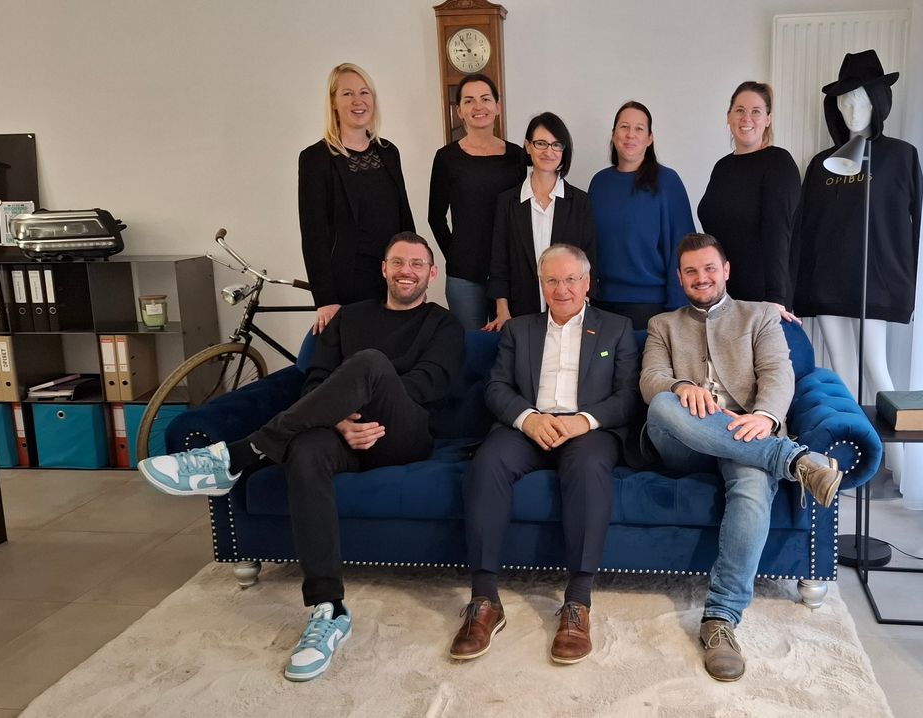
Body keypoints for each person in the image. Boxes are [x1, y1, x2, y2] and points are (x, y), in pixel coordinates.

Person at [138, 233, 463, 682]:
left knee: (369, 364)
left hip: (402, 433)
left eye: (417, 264)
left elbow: (430, 385)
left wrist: (364, 405)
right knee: (306, 450)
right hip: (342, 432)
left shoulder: (444, 325)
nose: (407, 271)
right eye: (398, 262)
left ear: (432, 273)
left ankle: (238, 455)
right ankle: (328, 608)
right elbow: (315, 384)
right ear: (384, 268)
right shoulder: (346, 318)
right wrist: (335, 422)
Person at [639, 233, 843, 682]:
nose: (701, 278)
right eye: (691, 271)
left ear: (726, 270)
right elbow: (652, 378)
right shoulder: (663, 325)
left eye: (709, 268)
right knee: (660, 404)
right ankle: (792, 461)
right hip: (684, 441)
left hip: (747, 432)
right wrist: (680, 387)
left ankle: (721, 619)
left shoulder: (760, 316)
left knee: (751, 485)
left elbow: (777, 371)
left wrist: (767, 416)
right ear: (680, 278)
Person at [450, 244, 638, 665]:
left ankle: (578, 602)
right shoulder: (520, 329)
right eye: (552, 280)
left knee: (589, 468)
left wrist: (583, 420)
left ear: (587, 283)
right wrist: (529, 418)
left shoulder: (616, 328)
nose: (562, 288)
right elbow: (496, 388)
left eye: (571, 279)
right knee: (487, 463)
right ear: (541, 284)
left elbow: (628, 396)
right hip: (529, 425)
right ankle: (484, 600)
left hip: (586, 430)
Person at [795, 50, 922, 484]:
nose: (851, 109)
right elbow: (806, 229)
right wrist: (800, 289)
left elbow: (916, 224)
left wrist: (907, 289)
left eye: (861, 99)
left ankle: (903, 472)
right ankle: (848, 467)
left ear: (880, 102)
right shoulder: (822, 163)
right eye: (844, 101)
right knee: (840, 372)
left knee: (877, 368)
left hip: (877, 284)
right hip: (828, 282)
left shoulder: (901, 156)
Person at [299, 62, 415, 335]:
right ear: (333, 102)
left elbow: (404, 217)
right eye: (347, 94)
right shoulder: (316, 159)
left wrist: (414, 270)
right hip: (348, 283)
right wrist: (325, 299)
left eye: (364, 92)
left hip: (393, 277)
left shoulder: (388, 152)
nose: (358, 101)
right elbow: (313, 233)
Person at [697, 81, 802, 323]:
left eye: (756, 111)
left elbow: (779, 232)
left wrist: (776, 298)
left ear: (768, 119)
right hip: (721, 297)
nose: (747, 118)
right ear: (728, 116)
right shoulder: (722, 167)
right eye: (740, 110)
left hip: (762, 299)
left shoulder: (779, 163)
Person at [427, 74, 525, 330]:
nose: (478, 106)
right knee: (470, 348)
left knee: (511, 347)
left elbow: (524, 212)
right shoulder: (446, 157)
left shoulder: (517, 156)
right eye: (469, 101)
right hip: (465, 275)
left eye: (485, 99)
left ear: (497, 107)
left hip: (510, 272)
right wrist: (456, 255)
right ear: (459, 110)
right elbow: (435, 217)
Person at [587, 101, 695, 330]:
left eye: (639, 129)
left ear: (650, 138)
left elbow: (683, 248)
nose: (630, 135)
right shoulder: (599, 183)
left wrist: (677, 309)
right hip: (602, 304)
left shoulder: (667, 182)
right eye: (624, 127)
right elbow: (588, 244)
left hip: (651, 308)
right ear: (614, 134)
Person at [487, 112, 596, 332]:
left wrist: (585, 305)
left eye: (556, 145)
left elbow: (590, 258)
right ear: (528, 146)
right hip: (519, 311)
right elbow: (499, 260)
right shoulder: (508, 201)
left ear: (564, 151)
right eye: (541, 143)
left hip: (569, 311)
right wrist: (502, 310)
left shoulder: (580, 201)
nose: (549, 151)